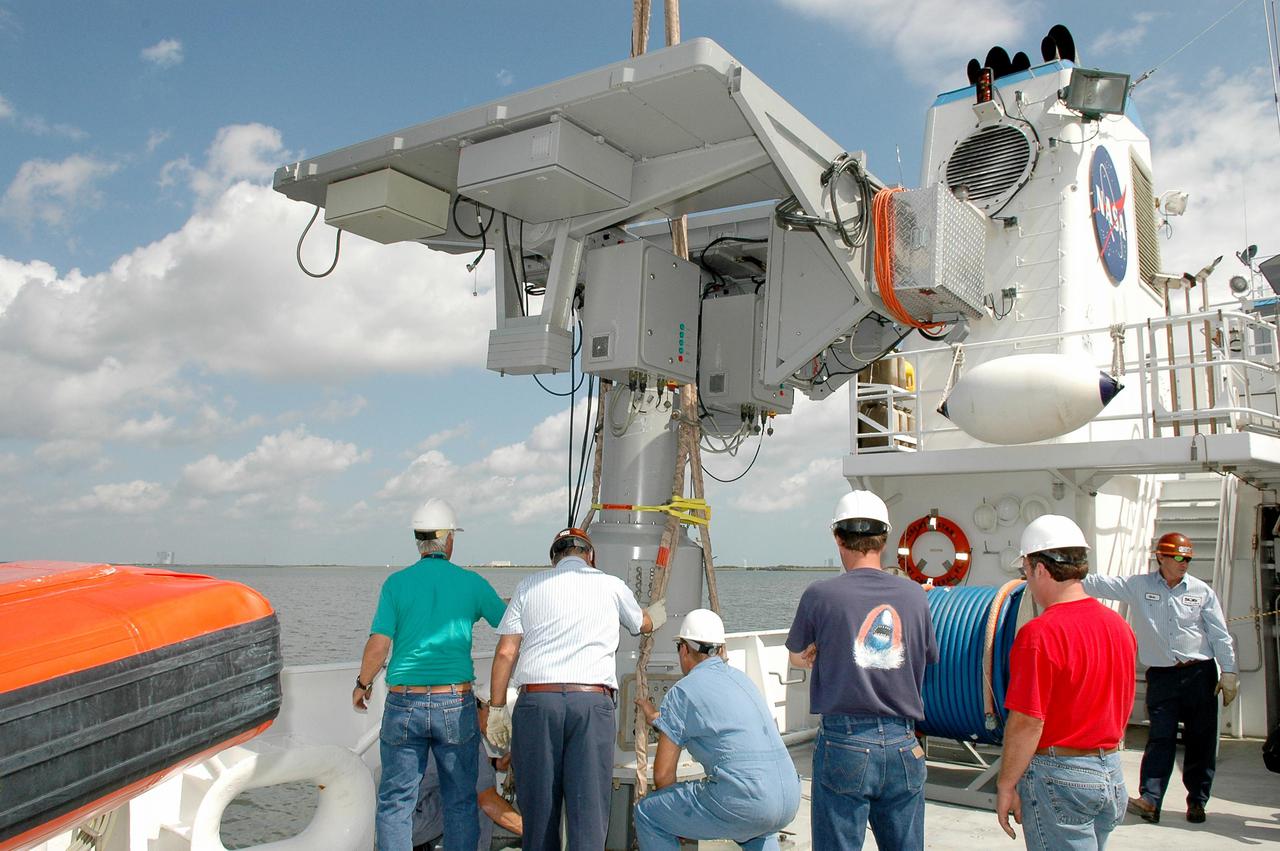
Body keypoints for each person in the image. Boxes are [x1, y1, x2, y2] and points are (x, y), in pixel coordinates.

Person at [486, 527, 665, 850]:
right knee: (589, 811)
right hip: (591, 706)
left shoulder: (529, 586)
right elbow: (641, 624)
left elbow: (505, 652)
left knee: (539, 812)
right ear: (590, 555)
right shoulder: (611, 585)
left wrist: (497, 709)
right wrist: (655, 616)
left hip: (537, 704)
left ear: (554, 559)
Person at [785, 490, 938, 851]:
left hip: (845, 741)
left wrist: (813, 654)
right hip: (904, 741)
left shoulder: (820, 595)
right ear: (884, 537)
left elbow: (796, 654)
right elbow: (927, 656)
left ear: (838, 537)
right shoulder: (915, 595)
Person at [353, 498, 507, 851]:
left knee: (396, 802)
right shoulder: (471, 583)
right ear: (449, 539)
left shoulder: (396, 584)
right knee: (461, 800)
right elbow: (509, 622)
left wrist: (362, 685)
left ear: (417, 539)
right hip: (454, 701)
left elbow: (379, 644)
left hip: (404, 701)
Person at [995, 515, 1137, 850]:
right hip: (1110, 775)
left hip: (1061, 780)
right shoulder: (1118, 625)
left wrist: (1006, 784)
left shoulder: (1039, 634)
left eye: (1026, 572)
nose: (1027, 581)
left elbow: (1028, 721)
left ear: (1040, 569)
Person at [1082, 531, 1238, 824]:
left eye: (1188, 558)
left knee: (1200, 740)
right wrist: (1060, 572)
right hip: (1162, 677)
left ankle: (1197, 802)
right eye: (1178, 557)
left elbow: (1219, 634)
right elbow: (1100, 584)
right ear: (1161, 557)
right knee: (1160, 738)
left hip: (1199, 674)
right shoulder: (1138, 585)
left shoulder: (1202, 592)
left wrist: (1228, 672)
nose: (1184, 563)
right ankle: (1151, 800)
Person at [633, 609, 801, 850]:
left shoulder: (682, 692)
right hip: (786, 798)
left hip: (746, 801)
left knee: (649, 814)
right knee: (758, 830)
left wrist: (675, 820)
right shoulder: (742, 680)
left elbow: (662, 775)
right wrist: (658, 719)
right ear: (721, 649)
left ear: (683, 650)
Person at [412, 682, 523, 850]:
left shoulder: (452, 717)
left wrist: (495, 763)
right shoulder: (466, 733)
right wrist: (533, 832)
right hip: (414, 821)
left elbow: (450, 764)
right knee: (476, 795)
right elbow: (487, 801)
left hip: (400, 815)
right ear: (487, 708)